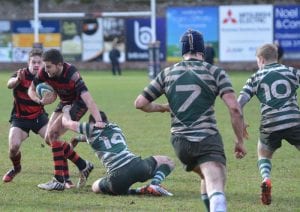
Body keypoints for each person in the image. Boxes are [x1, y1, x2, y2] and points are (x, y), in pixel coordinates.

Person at [134, 29, 247, 212]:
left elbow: (140, 103)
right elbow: (234, 108)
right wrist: (240, 140)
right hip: (207, 139)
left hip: (180, 143)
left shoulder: (167, 73)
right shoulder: (215, 72)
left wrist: (162, 107)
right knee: (217, 183)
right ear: (202, 50)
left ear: (182, 51)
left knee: (206, 177)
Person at [28, 48, 105, 191]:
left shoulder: (72, 75)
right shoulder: (44, 72)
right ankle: (83, 165)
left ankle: (59, 180)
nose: (46, 69)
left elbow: (88, 99)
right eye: (45, 66)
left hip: (78, 104)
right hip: (64, 102)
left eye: (49, 66)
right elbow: (31, 90)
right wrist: (39, 101)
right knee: (48, 138)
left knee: (53, 135)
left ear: (59, 65)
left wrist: (98, 119)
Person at [238, 43, 300, 205]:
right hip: (294, 121)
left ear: (261, 59)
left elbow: (239, 104)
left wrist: (242, 122)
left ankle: (266, 179)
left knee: (263, 154)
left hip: (270, 125)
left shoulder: (255, 77)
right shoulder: (291, 71)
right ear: (277, 57)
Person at [62, 107, 175, 196]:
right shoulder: (115, 127)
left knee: (95, 186)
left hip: (117, 179)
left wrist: (65, 110)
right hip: (139, 167)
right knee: (168, 161)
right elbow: (100, 137)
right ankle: (155, 184)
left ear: (92, 124)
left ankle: (137, 191)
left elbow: (67, 123)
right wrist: (77, 139)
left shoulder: (89, 131)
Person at [2, 48, 49, 183]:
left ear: (43, 64)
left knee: (54, 141)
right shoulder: (20, 74)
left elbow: (55, 92)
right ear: (28, 62)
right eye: (33, 62)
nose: (36, 65)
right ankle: (16, 168)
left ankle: (64, 175)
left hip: (39, 116)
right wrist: (17, 80)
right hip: (20, 118)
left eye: (39, 62)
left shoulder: (46, 76)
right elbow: (9, 85)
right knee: (13, 147)